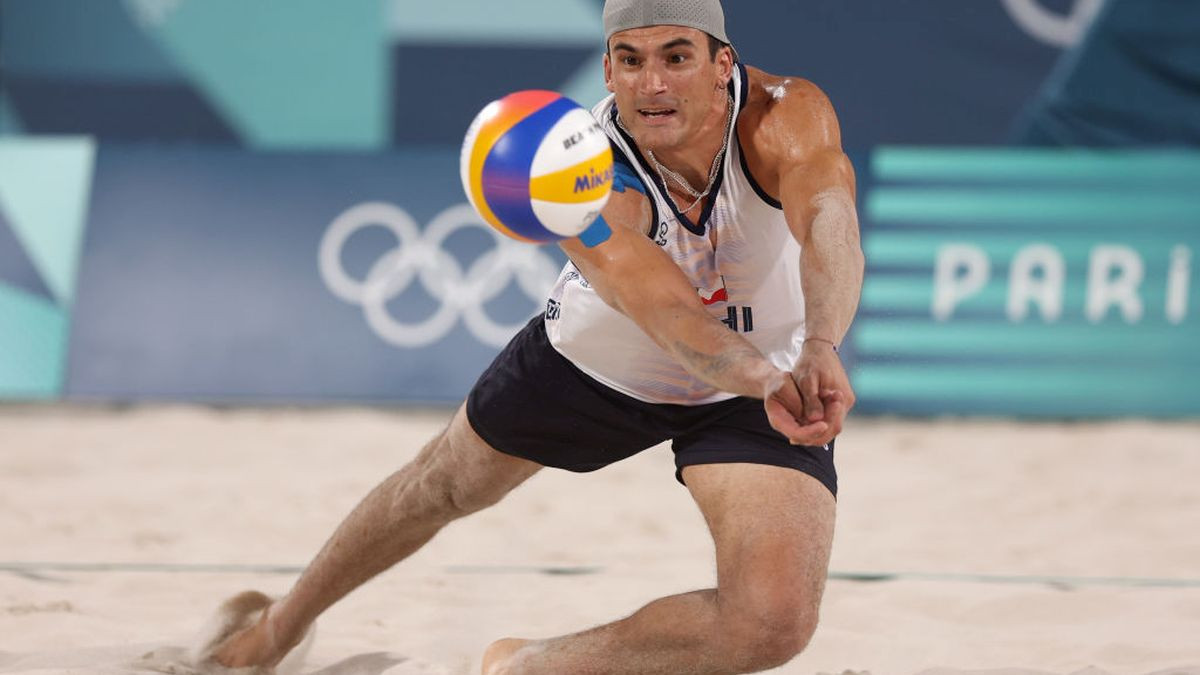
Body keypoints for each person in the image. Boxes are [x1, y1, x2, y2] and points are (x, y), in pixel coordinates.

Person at [209, 0, 863, 672]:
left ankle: (525, 664)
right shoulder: (575, 175)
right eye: (631, 61)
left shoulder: (787, 113)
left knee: (773, 621)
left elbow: (828, 225)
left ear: (723, 64)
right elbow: (671, 316)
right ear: (607, 70)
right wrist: (765, 376)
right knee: (439, 486)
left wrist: (820, 344)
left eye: (676, 56)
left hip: (765, 375)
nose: (653, 84)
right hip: (607, 362)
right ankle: (278, 626)